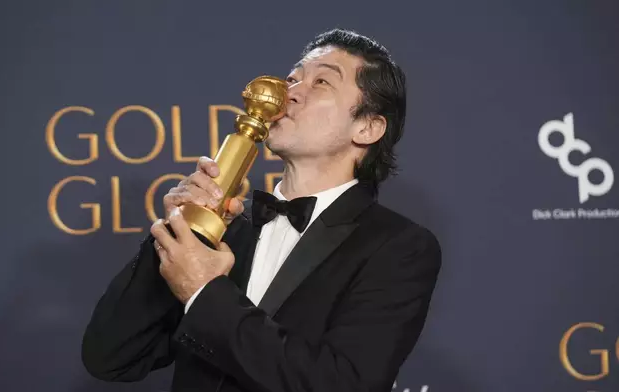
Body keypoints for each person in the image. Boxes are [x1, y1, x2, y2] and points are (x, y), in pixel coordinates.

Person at [81, 28, 442, 392]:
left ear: (367, 127)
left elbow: (340, 383)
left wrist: (205, 292)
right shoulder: (229, 222)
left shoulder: (398, 247)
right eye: (292, 78)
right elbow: (110, 356)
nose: (290, 93)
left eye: (321, 83)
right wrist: (175, 234)